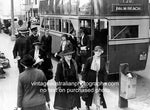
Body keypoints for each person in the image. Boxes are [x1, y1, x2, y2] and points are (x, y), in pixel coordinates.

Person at [81, 46, 107, 110]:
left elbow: (104, 71)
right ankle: (87, 105)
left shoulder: (103, 60)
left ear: (101, 52)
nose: (98, 52)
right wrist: (83, 80)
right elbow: (85, 70)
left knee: (98, 93)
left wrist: (105, 81)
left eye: (99, 51)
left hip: (99, 79)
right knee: (89, 93)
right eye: (97, 51)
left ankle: (98, 106)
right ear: (94, 52)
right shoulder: (89, 59)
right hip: (90, 78)